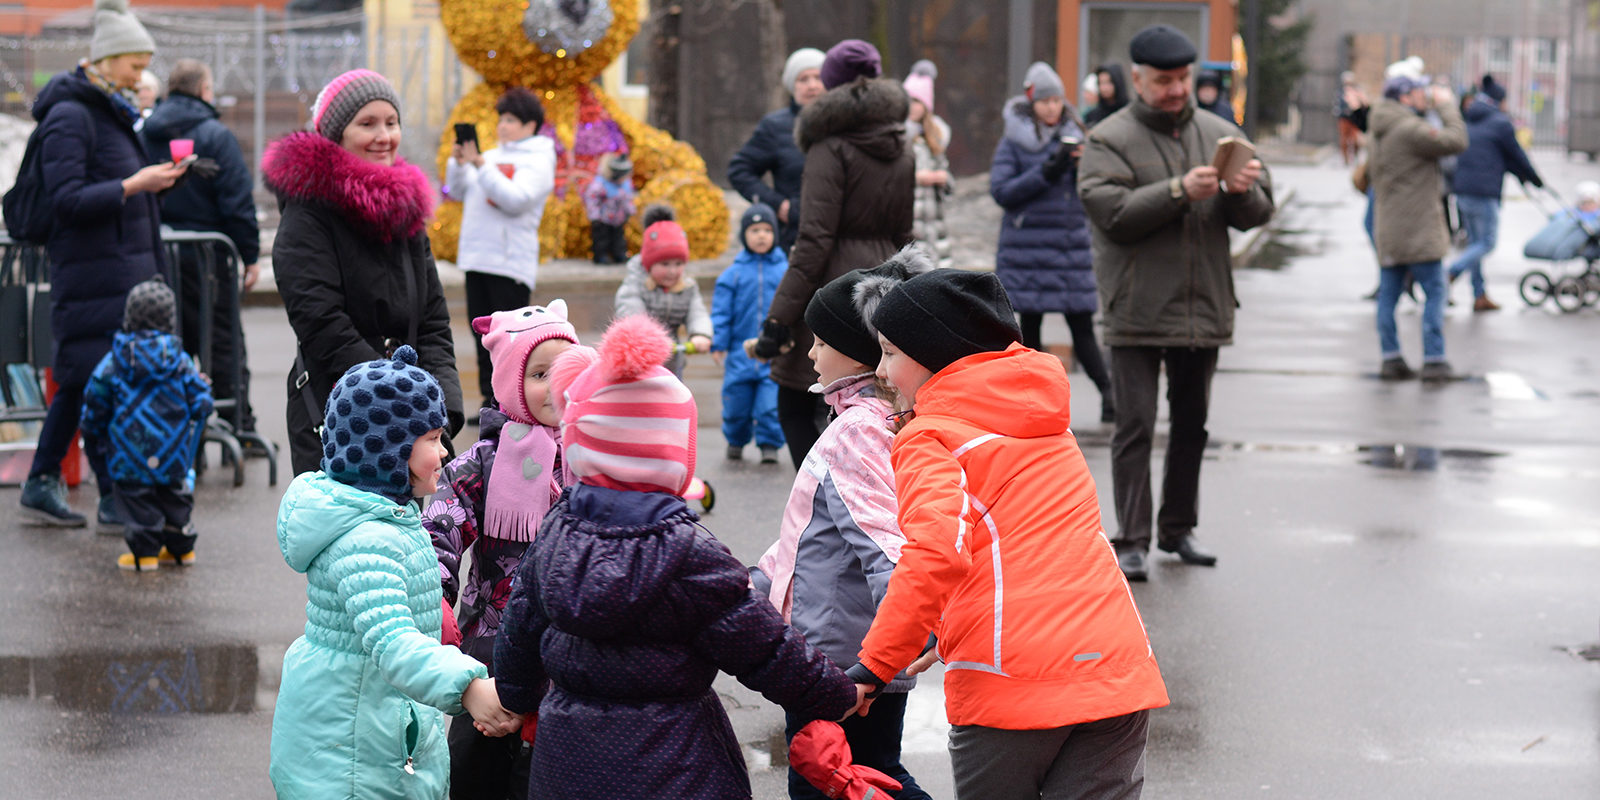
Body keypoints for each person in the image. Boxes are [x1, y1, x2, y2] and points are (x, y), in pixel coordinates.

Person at [493, 314, 860, 800]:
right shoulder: (690, 553)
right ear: (673, 455)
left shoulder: (556, 532)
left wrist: (515, 698)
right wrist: (837, 693)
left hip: (568, 761)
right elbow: (765, 648)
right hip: (677, 762)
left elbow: (519, 629)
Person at [846, 268, 1169, 800]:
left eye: (890, 353)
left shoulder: (931, 437)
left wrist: (876, 665)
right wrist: (940, 627)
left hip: (1010, 678)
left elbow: (933, 555)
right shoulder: (1048, 423)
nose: (882, 371)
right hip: (1116, 666)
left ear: (934, 352)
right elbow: (1018, 545)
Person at [269, 346, 521, 799]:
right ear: (386, 449)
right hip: (352, 745)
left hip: (378, 722)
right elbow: (392, 641)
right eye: (433, 438)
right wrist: (469, 687)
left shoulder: (388, 517)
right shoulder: (366, 540)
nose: (445, 452)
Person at [1077, 24, 1275, 582]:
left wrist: (1243, 191)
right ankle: (1132, 539)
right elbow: (1110, 213)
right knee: (1135, 426)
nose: (1175, 89)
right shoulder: (1108, 139)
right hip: (1136, 307)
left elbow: (1260, 211)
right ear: (1137, 79)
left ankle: (1178, 529)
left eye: (1183, 78)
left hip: (1201, 305)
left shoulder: (1220, 131)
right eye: (1164, 80)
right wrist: (1176, 191)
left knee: (1193, 426)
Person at [752, 246, 933, 800]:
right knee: (870, 772)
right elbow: (811, 537)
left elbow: (886, 543)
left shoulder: (856, 430)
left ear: (860, 355)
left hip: (841, 660)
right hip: (864, 646)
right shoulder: (883, 419)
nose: (809, 353)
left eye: (822, 342)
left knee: (828, 779)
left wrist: (898, 644)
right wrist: (749, 587)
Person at [18, 0, 190, 529]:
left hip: (117, 275)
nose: (141, 76)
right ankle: (95, 489)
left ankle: (67, 484)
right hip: (95, 275)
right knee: (86, 383)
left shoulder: (105, 111)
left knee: (88, 384)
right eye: (134, 65)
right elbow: (67, 200)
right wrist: (136, 183)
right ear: (108, 59)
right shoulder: (72, 116)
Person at [264, 68, 464, 476]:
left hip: (413, 419)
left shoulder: (405, 209)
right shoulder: (309, 212)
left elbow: (432, 320)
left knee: (407, 537)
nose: (384, 135)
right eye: (367, 124)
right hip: (340, 413)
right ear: (336, 134)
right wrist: (399, 399)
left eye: (391, 123)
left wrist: (442, 404)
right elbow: (321, 323)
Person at [423, 302, 579, 800]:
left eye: (567, 370)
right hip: (492, 646)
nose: (556, 384)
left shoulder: (594, 451)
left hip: (571, 652)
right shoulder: (484, 463)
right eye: (538, 373)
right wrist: (437, 596)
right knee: (476, 772)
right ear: (511, 382)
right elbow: (441, 528)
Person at [751, 39, 913, 470]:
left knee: (794, 396)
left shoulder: (829, 146)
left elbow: (814, 241)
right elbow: (905, 234)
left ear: (830, 84)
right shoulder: (901, 145)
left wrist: (778, 319)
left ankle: (825, 498)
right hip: (884, 286)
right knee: (877, 398)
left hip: (835, 288)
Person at [140, 58, 262, 438]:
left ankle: (169, 432)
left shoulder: (144, 133)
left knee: (164, 344)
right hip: (210, 258)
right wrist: (249, 254)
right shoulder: (215, 135)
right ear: (204, 91)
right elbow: (236, 201)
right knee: (221, 343)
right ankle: (236, 425)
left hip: (155, 258)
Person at [991, 61, 1115, 425]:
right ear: (1032, 103)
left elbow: (1097, 187)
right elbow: (1002, 191)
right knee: (1030, 329)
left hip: (1069, 247)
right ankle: (1033, 403)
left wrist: (1079, 166)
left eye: (1058, 100)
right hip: (1027, 249)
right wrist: (1047, 170)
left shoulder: (1078, 133)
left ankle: (1110, 398)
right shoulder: (1013, 140)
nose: (1052, 108)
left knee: (1083, 327)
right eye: (1045, 101)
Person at [80, 278, 212, 572]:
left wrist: (95, 430)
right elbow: (202, 401)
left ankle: (145, 554)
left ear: (129, 317)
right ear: (170, 320)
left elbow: (95, 399)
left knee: (138, 502)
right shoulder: (179, 361)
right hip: (173, 451)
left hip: (130, 452)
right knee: (175, 497)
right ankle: (181, 551)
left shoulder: (115, 360)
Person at [447, 87, 557, 415]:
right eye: (501, 119)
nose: (503, 126)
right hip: (477, 258)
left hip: (510, 263)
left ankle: (510, 403)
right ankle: (488, 402)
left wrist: (481, 164)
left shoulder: (539, 159)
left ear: (530, 125)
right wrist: (458, 162)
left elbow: (516, 199)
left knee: (510, 340)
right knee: (482, 336)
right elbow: (456, 190)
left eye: (510, 120)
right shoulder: (491, 157)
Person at [1368, 74, 1467, 381]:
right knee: (1436, 292)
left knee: (1388, 296)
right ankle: (1435, 360)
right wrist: (1447, 106)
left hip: (1389, 230)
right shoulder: (1410, 129)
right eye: (1420, 92)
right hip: (1419, 230)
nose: (1425, 96)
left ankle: (1391, 358)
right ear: (1405, 97)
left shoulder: (1379, 129)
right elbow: (1456, 140)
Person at [1447, 74, 1542, 313]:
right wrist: (1535, 179)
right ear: (1498, 101)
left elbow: (1499, 156)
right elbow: (1516, 156)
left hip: (1463, 190)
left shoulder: (1470, 118)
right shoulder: (1500, 123)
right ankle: (1449, 272)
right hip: (1484, 191)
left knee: (1475, 244)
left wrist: (1520, 174)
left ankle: (1479, 295)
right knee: (1486, 243)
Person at [727, 47, 826, 253]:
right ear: (792, 85)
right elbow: (739, 171)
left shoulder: (844, 124)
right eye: (803, 79)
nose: (812, 85)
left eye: (818, 77)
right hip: (794, 238)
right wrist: (779, 205)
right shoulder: (775, 127)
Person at [711, 204, 787, 464]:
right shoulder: (733, 274)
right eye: (755, 230)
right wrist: (718, 343)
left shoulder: (785, 271)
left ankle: (769, 444)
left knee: (769, 405)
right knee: (736, 404)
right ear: (744, 235)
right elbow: (721, 312)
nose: (762, 236)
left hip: (773, 355)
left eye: (767, 230)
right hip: (738, 353)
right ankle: (735, 439)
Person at [613, 219, 712, 378]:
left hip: (672, 361)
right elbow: (631, 312)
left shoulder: (687, 287)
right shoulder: (635, 285)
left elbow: (697, 312)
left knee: (674, 398)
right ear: (649, 265)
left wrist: (700, 334)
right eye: (665, 264)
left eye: (678, 264)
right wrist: (648, 339)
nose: (672, 271)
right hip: (640, 361)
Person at [904, 59, 953, 270]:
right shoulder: (899, 137)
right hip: (910, 224)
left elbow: (948, 180)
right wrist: (916, 178)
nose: (912, 106)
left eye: (917, 100)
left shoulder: (935, 138)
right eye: (908, 100)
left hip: (935, 227)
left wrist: (943, 179)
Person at [583, 153, 635, 264]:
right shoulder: (601, 184)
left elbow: (627, 198)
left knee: (618, 237)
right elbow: (592, 199)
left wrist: (630, 210)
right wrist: (594, 215)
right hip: (603, 218)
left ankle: (619, 254)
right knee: (602, 238)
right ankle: (601, 256)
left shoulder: (625, 184)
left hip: (618, 218)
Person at [1335, 71, 1368, 166]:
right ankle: (1345, 159)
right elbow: (1338, 105)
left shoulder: (1357, 91)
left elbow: (1363, 102)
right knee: (1344, 139)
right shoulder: (1340, 92)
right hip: (1344, 118)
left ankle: (1356, 156)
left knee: (1355, 139)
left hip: (1355, 118)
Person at [1082, 62, 1128, 127]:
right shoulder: (1092, 116)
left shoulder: (1129, 112)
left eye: (1108, 82)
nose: (1104, 88)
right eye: (1101, 83)